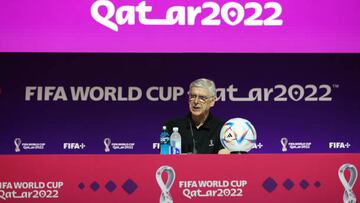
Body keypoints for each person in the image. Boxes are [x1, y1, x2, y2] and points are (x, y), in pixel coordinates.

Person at [165, 78, 226, 154]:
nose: (196, 101)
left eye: (202, 98)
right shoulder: (172, 126)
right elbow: (166, 158)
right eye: (193, 96)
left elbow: (224, 160)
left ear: (212, 102)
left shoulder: (222, 128)